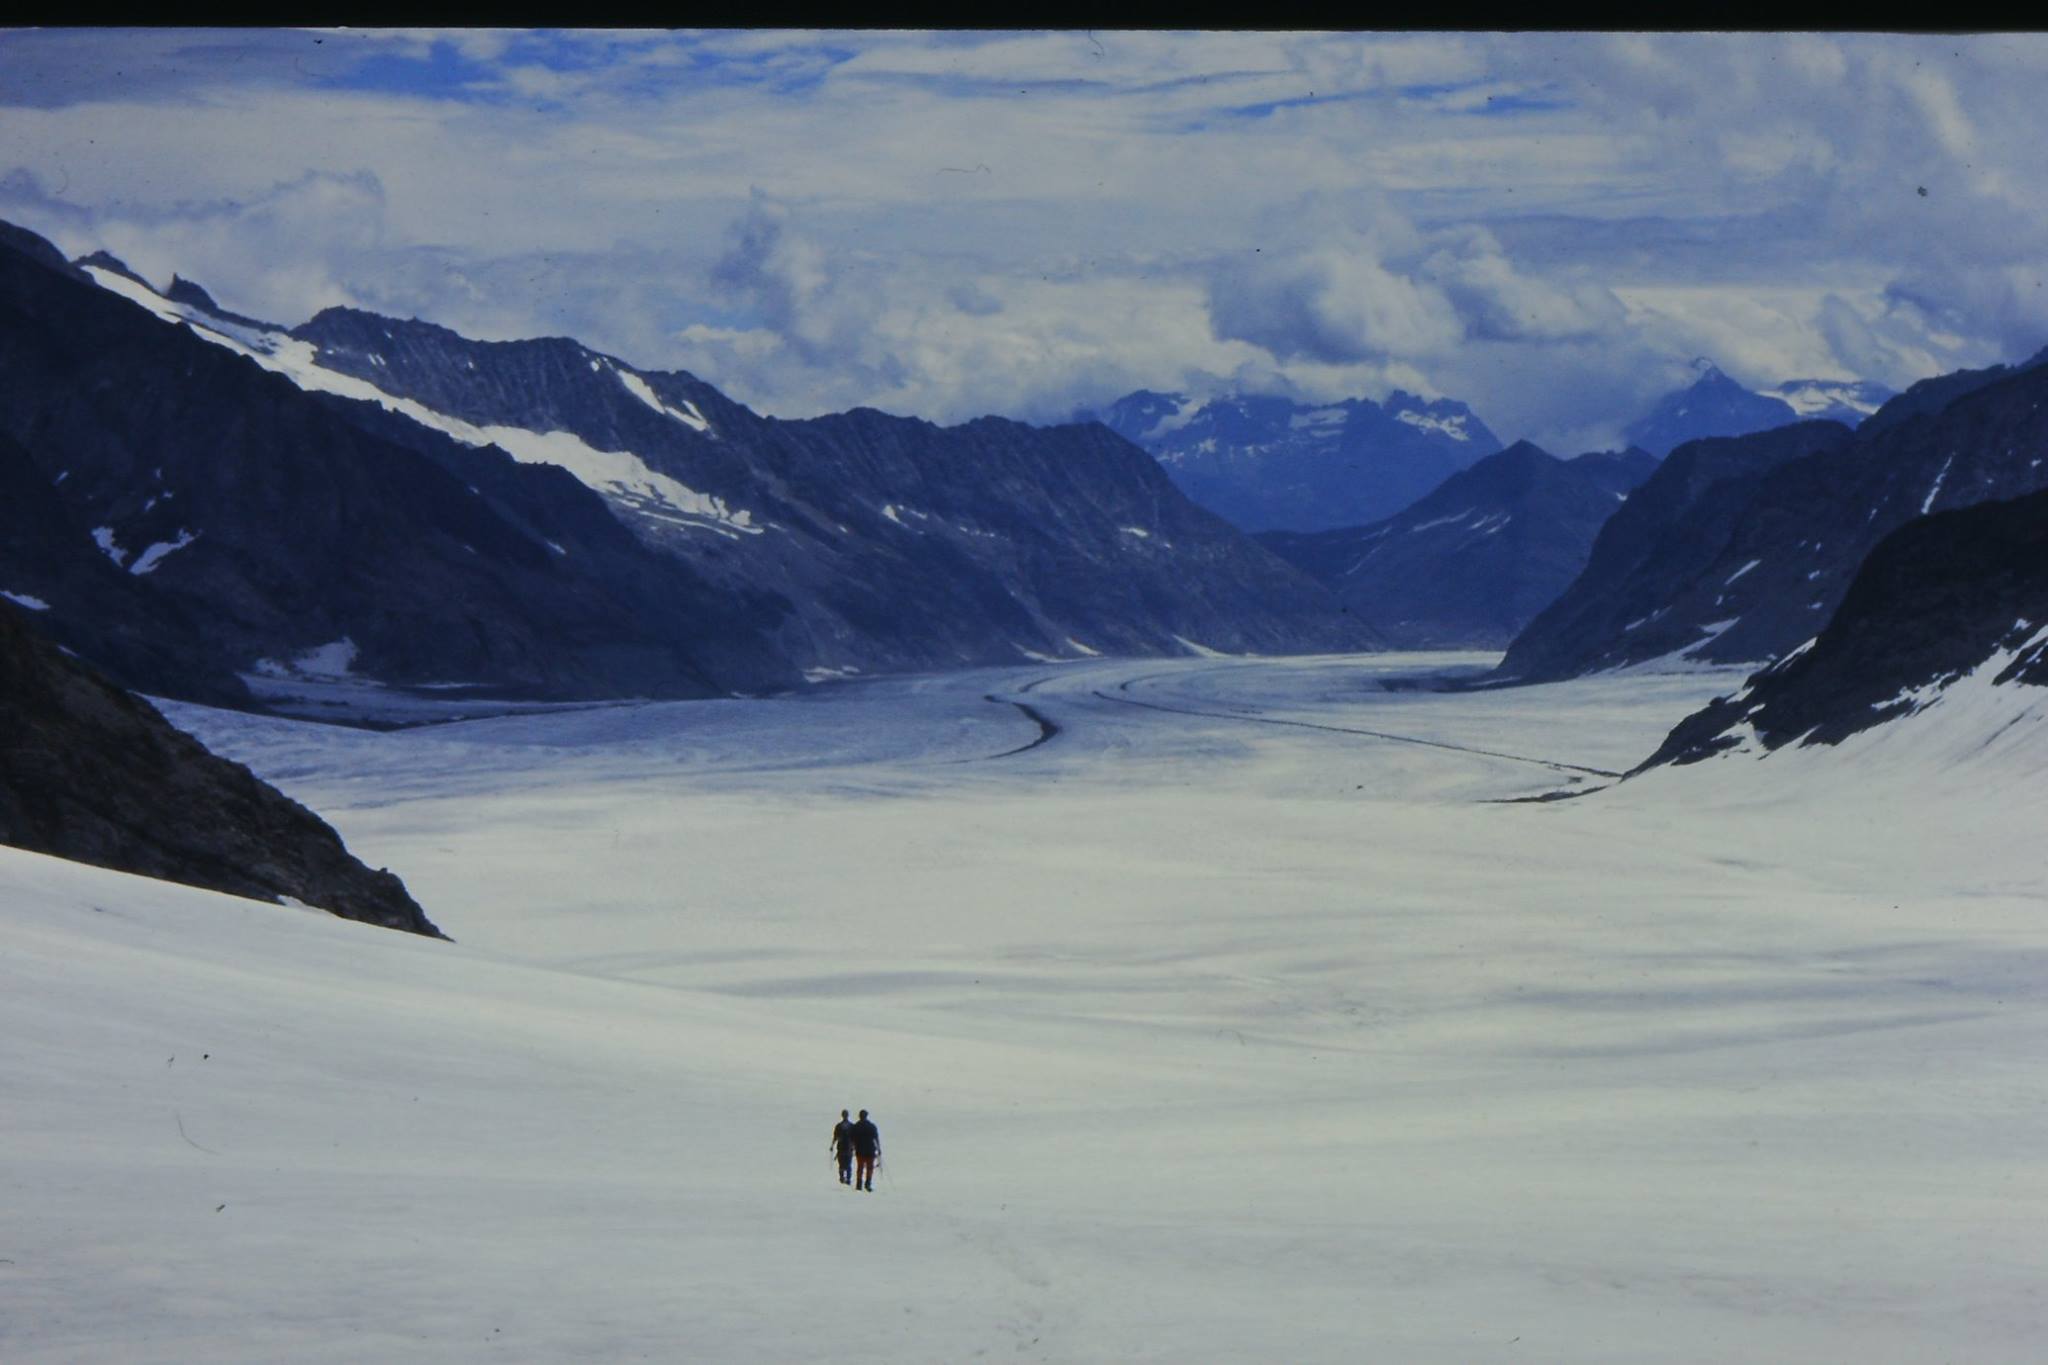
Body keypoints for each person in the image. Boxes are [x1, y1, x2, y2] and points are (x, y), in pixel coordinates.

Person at [850, 1108, 881, 1191]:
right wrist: (879, 1148)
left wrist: (852, 1148)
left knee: (860, 1168)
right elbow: (876, 1138)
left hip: (860, 1150)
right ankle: (868, 1184)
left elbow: (852, 1139)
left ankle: (859, 1185)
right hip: (870, 1150)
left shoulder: (856, 1126)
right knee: (870, 1168)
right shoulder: (871, 1126)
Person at [830, 1109, 855, 1186]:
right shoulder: (852, 1126)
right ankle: (848, 1179)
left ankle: (842, 1177)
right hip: (849, 1148)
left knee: (841, 1164)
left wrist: (832, 1145)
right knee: (848, 1164)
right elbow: (855, 1138)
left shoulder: (839, 1126)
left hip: (840, 1148)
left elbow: (835, 1137)